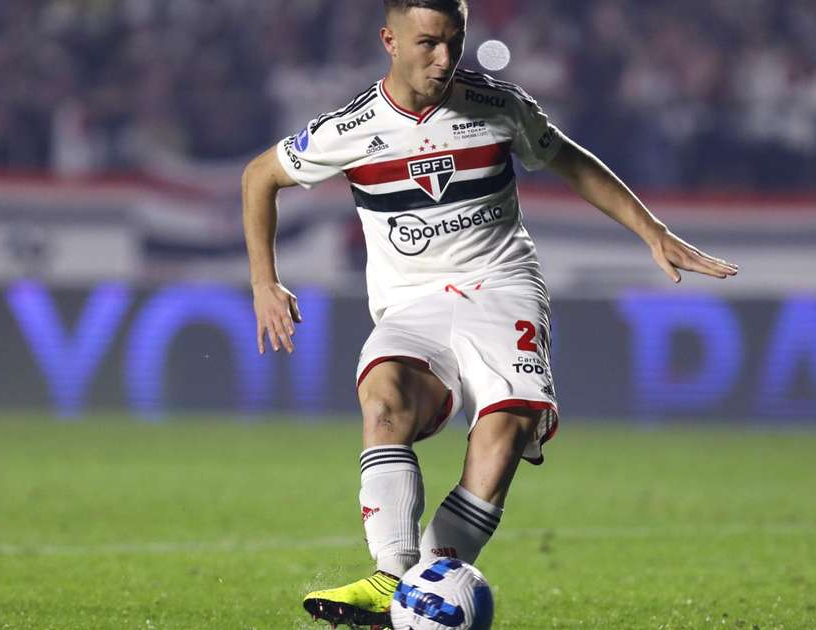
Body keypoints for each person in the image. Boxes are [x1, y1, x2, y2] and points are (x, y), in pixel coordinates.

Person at [241, 1, 738, 626]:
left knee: (505, 429)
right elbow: (259, 176)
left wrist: (652, 230)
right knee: (385, 401)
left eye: (455, 42)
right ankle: (396, 579)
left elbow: (569, 159)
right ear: (389, 40)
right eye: (428, 43)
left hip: (502, 288)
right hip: (412, 303)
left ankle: (424, 586)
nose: (444, 59)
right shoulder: (352, 128)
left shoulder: (497, 104)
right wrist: (264, 281)